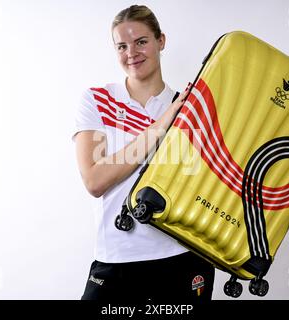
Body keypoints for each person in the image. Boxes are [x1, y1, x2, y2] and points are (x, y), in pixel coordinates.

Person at [72, 4, 215, 301]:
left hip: (182, 258)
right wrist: (164, 123)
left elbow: (202, 188)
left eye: (141, 42)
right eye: (121, 46)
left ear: (161, 41)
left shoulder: (189, 108)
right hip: (116, 260)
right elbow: (95, 181)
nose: (131, 53)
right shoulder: (98, 100)